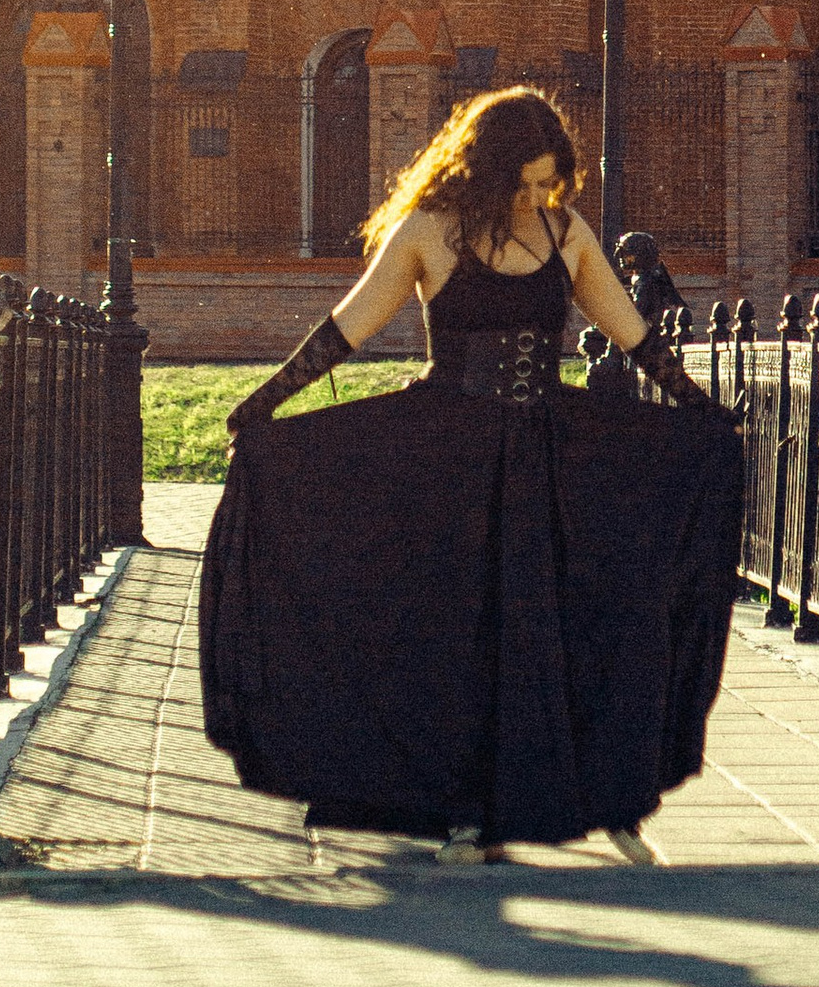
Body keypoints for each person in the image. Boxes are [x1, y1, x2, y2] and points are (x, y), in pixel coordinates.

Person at [198, 83, 742, 858]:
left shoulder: (565, 231)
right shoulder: (429, 232)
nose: (534, 196)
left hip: (549, 454)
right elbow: (349, 328)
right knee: (451, 635)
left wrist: (703, 411)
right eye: (520, 183)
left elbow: (632, 335)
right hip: (445, 459)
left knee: (577, 623)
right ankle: (458, 806)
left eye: (546, 183)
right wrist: (263, 404)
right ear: (483, 170)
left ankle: (607, 802)